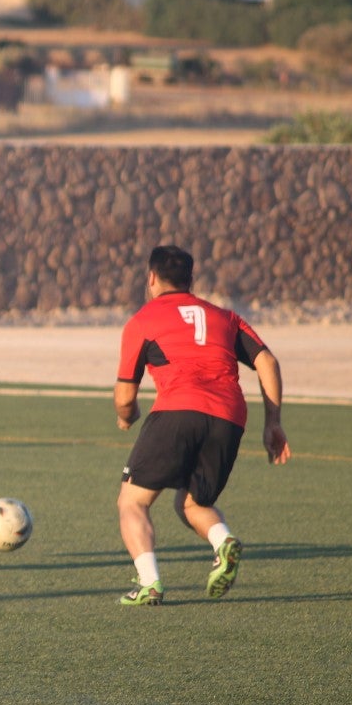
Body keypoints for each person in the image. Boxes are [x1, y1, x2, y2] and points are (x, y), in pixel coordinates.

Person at [114, 245, 291, 606]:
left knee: (132, 501)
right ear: (190, 280)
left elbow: (124, 396)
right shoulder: (225, 317)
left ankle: (149, 584)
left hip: (178, 409)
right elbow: (268, 362)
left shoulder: (143, 321)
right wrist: (273, 422)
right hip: (229, 418)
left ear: (151, 278)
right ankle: (223, 541)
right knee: (192, 504)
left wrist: (126, 415)